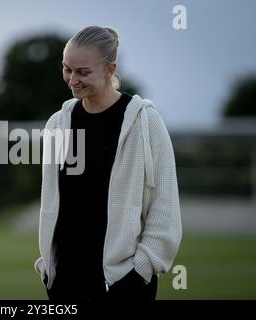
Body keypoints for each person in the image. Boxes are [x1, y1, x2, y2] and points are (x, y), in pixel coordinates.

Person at [35, 26, 182, 300]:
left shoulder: (145, 121)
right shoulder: (57, 124)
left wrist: (140, 271)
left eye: (83, 72)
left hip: (125, 283)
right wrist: (48, 269)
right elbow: (51, 203)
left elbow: (165, 206)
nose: (72, 79)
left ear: (110, 69)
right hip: (64, 282)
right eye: (67, 69)